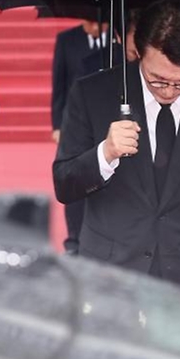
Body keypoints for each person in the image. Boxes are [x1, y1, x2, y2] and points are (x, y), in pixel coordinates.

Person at [53, 0, 180, 303]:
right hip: (112, 271)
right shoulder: (93, 93)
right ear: (138, 51)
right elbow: (64, 184)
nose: (169, 91)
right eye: (157, 80)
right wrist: (105, 153)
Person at [51, 18, 113, 253]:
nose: (93, 28)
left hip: (107, 123)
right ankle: (73, 240)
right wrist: (57, 124)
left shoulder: (118, 45)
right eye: (87, 23)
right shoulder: (67, 40)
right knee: (74, 177)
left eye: (96, 24)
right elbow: (59, 85)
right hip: (75, 122)